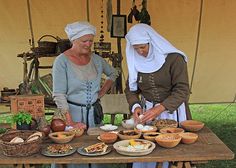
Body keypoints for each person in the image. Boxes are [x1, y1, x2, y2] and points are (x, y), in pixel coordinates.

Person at [52, 21, 118, 168]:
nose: (88, 44)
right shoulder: (61, 62)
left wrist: (101, 92)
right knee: (72, 153)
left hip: (94, 114)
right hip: (72, 113)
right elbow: (59, 94)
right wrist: (70, 122)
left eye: (91, 40)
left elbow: (113, 73)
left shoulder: (97, 60)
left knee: (97, 151)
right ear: (73, 40)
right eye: (84, 41)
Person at [124, 23, 191, 168]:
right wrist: (135, 106)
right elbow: (130, 88)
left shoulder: (174, 59)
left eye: (143, 47)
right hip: (148, 112)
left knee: (173, 148)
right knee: (146, 148)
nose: (140, 52)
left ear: (152, 42)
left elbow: (182, 89)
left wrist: (161, 107)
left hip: (173, 112)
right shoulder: (136, 60)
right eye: (136, 49)